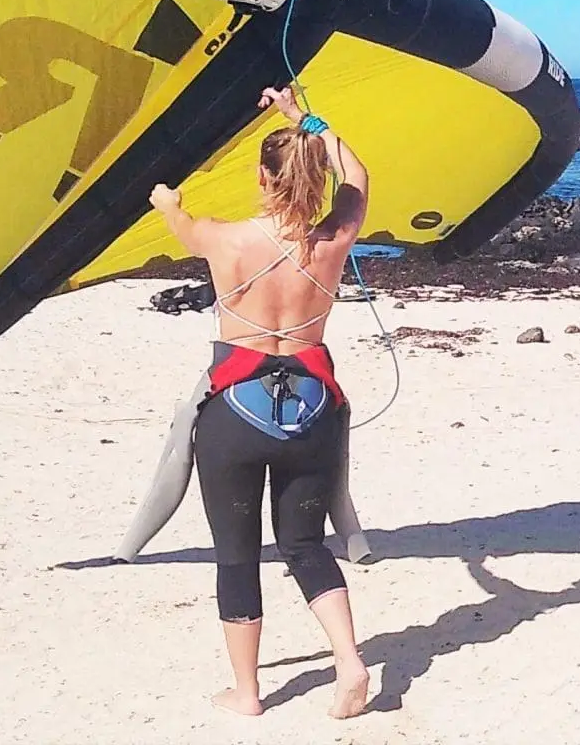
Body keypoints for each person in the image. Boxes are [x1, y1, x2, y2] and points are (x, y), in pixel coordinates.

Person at [148, 85, 373, 718]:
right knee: (305, 545)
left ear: (262, 178)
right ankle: (349, 661)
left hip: (236, 412)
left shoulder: (222, 239)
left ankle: (247, 694)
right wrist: (307, 119)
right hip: (313, 409)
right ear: (316, 180)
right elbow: (357, 175)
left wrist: (166, 200)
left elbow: (173, 213)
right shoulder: (334, 239)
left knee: (237, 554)